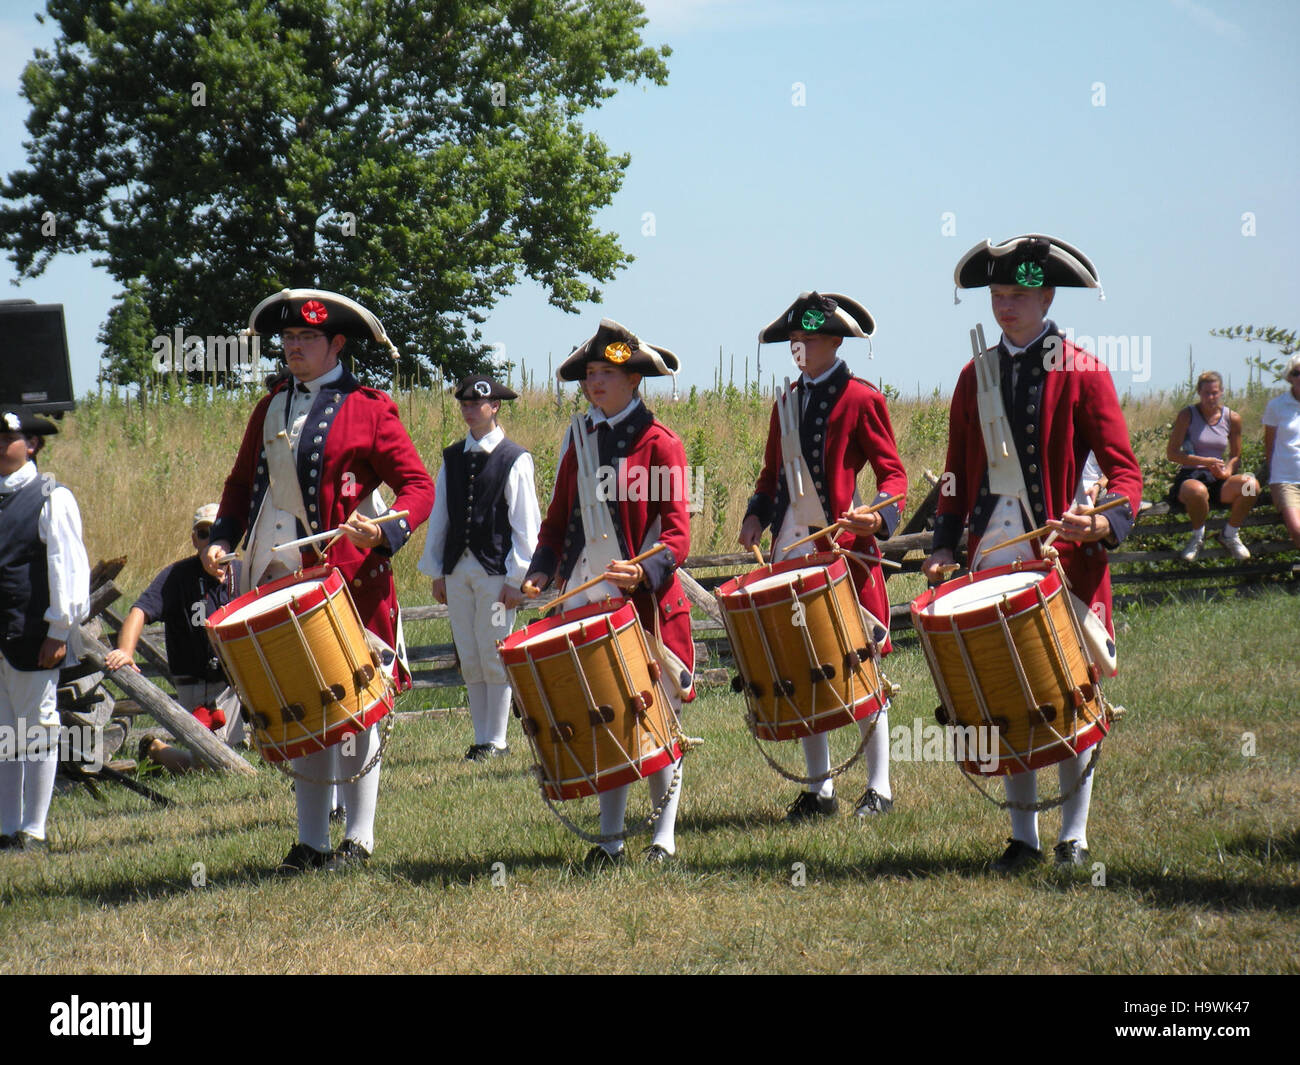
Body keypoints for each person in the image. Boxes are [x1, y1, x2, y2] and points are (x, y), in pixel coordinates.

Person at [923, 234, 1144, 872]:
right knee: (1004, 696)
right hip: (992, 554)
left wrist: (1100, 526)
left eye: (1018, 295)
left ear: (1046, 296)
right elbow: (955, 475)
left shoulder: (1084, 368)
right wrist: (942, 544)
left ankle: (1074, 835)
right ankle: (1024, 838)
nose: (1005, 306)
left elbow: (1126, 475)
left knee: (1069, 692)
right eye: (996, 295)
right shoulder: (974, 375)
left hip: (1062, 560)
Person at [202, 289, 435, 874]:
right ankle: (312, 842)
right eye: (288, 340)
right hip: (278, 577)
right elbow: (238, 485)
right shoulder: (270, 405)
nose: (293, 348)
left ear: (336, 345)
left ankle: (358, 838)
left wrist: (382, 529)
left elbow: (419, 488)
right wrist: (221, 540)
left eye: (306, 339)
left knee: (356, 705)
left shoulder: (370, 408)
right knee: (301, 709)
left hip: (349, 581)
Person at [522, 319, 693, 865]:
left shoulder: (660, 444)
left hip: (646, 608)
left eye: (607, 373)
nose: (595, 383)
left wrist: (644, 572)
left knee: (654, 719)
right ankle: (612, 839)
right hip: (588, 600)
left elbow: (676, 532)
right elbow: (558, 520)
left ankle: (662, 838)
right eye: (590, 373)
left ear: (634, 380)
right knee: (604, 717)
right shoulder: (579, 441)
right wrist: (541, 572)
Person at [737, 292, 908, 823]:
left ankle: (878, 787)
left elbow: (893, 476)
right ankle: (821, 789)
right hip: (791, 549)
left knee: (860, 664)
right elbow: (770, 477)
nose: (800, 348)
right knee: (804, 667)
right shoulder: (784, 402)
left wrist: (878, 516)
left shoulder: (861, 398)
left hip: (843, 552)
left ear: (835, 341)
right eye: (795, 340)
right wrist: (753, 517)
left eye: (809, 339)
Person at [418, 374, 540, 762]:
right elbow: (441, 515)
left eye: (477, 403)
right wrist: (438, 569)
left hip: (495, 572)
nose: (470, 410)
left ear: (495, 406)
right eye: (465, 404)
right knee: (469, 654)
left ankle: (498, 739)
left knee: (493, 652)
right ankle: (480, 736)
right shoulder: (452, 457)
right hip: (458, 570)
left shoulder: (514, 457)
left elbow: (526, 523)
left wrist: (518, 579)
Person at [0, 411, 90, 852]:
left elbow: (66, 567)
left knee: (36, 728)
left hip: (31, 633)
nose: (1, 444)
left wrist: (59, 629)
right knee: (4, 733)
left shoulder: (51, 497)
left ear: (32, 444)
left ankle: (33, 828)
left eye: (8, 437)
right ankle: (6, 825)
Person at [106, 503, 245, 771]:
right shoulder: (177, 576)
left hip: (235, 684)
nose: (211, 541)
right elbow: (139, 612)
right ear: (194, 539)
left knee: (234, 755)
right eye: (205, 533)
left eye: (218, 533)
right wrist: (125, 651)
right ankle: (155, 749)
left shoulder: (242, 573)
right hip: (195, 684)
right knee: (213, 766)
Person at [1166, 371, 1260, 561]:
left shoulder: (1232, 418)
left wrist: (1227, 471)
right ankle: (1197, 537)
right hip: (1191, 474)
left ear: (1221, 392)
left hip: (1218, 477)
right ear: (1199, 393)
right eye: (1206, 393)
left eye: (1215, 393)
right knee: (1197, 491)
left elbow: (1235, 455)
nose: (1211, 397)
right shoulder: (1187, 415)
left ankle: (1230, 534)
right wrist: (1204, 461)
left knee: (1251, 485)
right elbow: (1172, 453)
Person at [1262, 353, 1300, 551]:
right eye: (1296, 373)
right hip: (1286, 479)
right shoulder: (1276, 406)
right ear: (1290, 377)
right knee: (1297, 530)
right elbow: (1269, 444)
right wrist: (1272, 474)